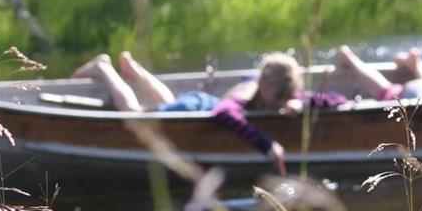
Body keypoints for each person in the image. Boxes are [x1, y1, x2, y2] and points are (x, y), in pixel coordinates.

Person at [74, 51, 343, 175]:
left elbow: (335, 99)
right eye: (279, 97)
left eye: (287, 96)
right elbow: (224, 112)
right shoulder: (247, 91)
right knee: (136, 114)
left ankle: (134, 72)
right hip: (196, 109)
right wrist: (266, 144)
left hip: (197, 102)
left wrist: (301, 104)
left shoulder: (279, 91)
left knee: (167, 103)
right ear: (264, 83)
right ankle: (104, 70)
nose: (280, 103)